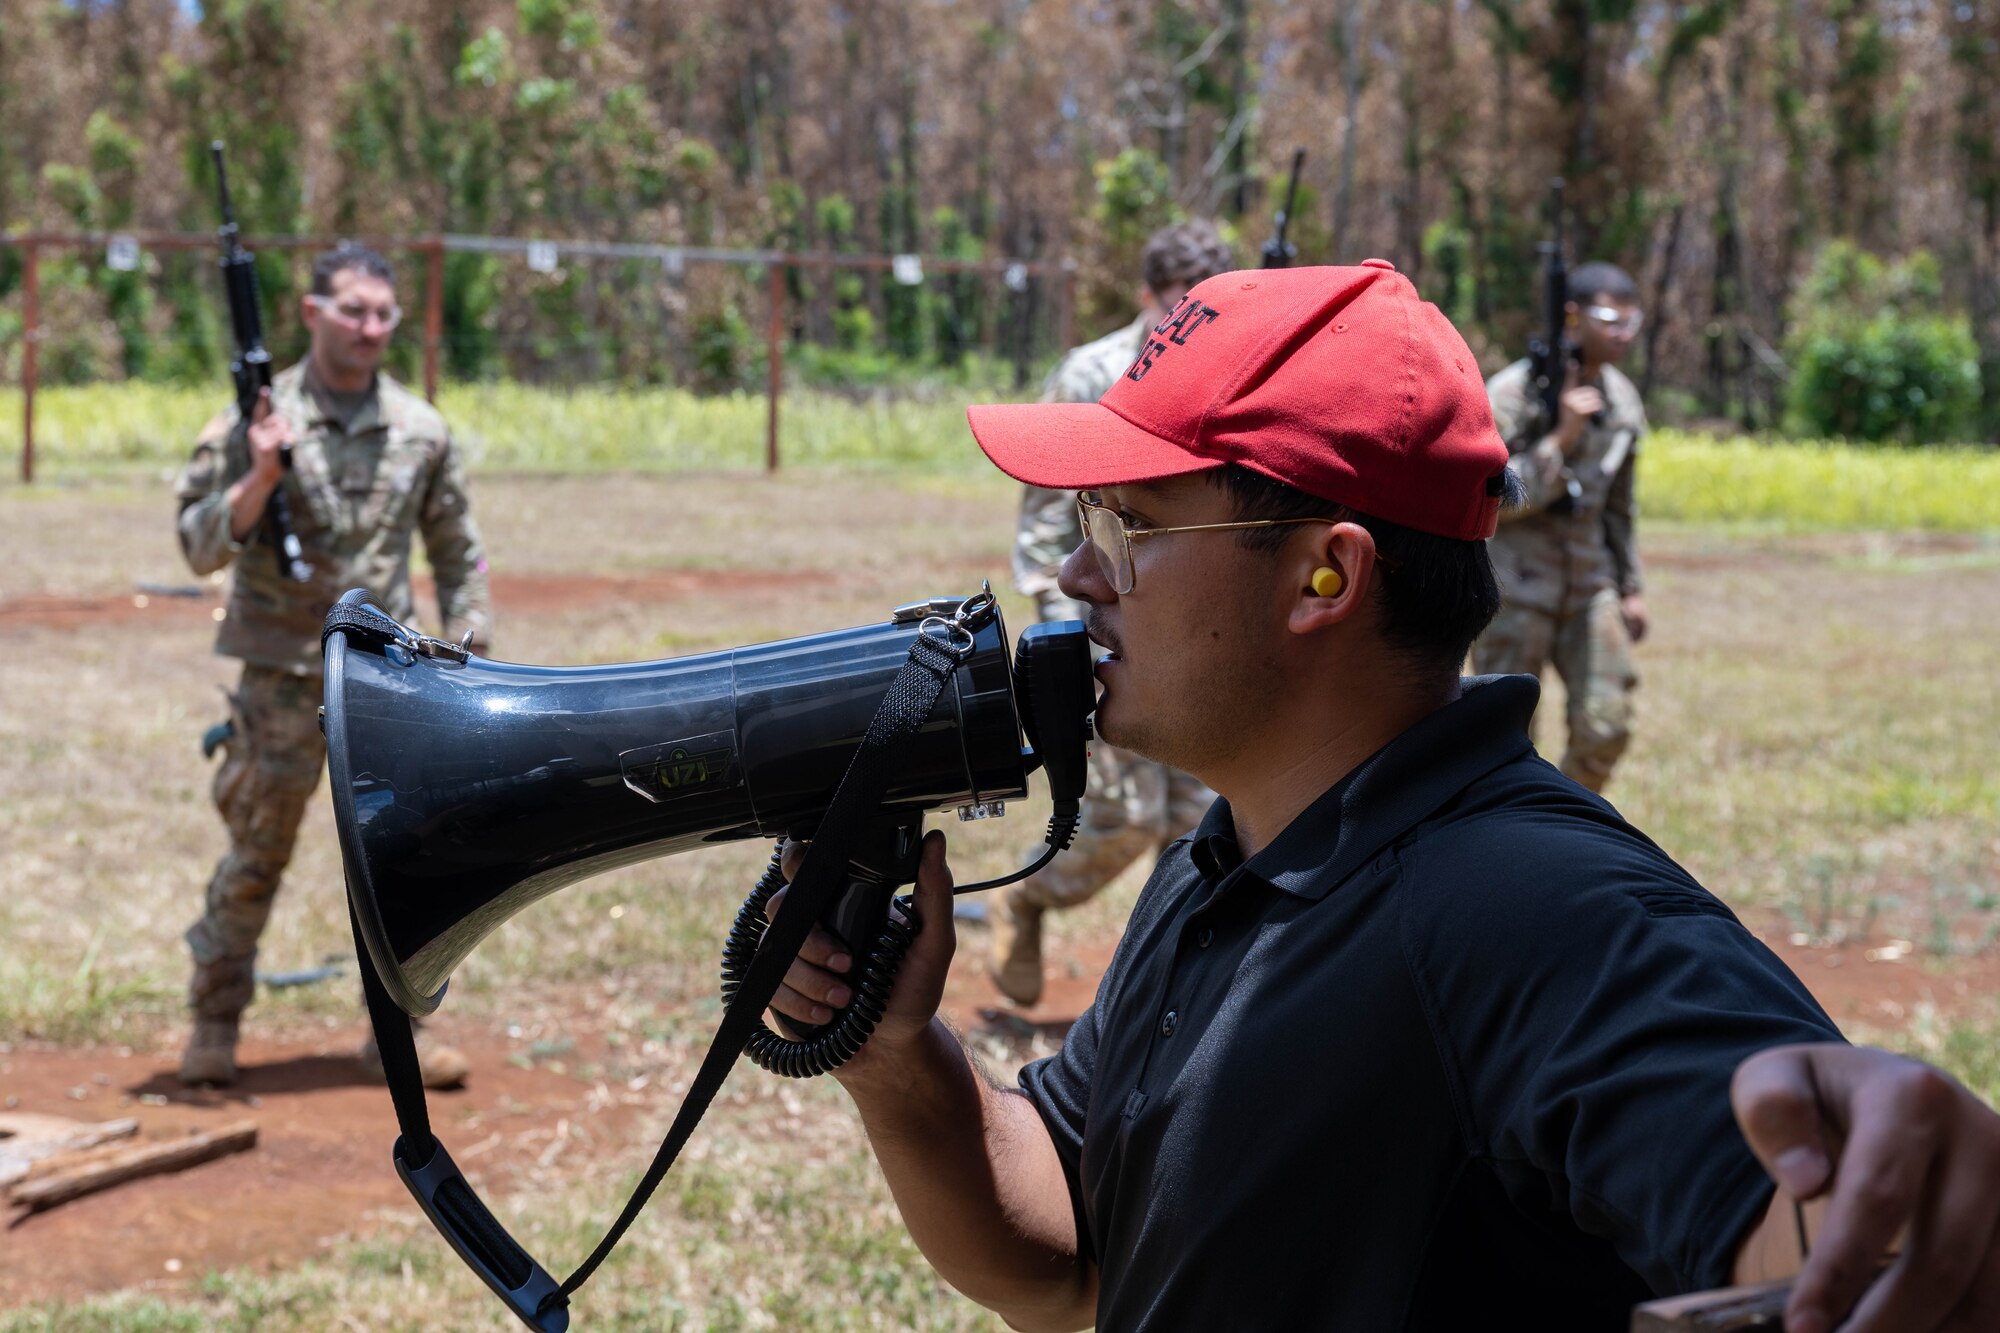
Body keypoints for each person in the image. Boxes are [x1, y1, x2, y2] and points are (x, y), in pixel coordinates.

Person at [767, 262, 2000, 1330]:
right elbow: (1067, 1257)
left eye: (1128, 523)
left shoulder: (1536, 912)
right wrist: (892, 1058)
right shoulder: (1230, 853)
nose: (1082, 572)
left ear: (1322, 573)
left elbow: (1818, 1231)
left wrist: (1894, 1194)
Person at [174, 243, 493, 1089]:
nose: (370, 327)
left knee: (401, 862)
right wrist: (260, 473)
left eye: (384, 312)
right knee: (257, 851)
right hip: (282, 678)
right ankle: (213, 1018)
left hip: (385, 679)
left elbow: (458, 552)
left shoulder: (421, 428)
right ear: (313, 312)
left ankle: (403, 1032)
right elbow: (197, 541)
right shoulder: (255, 422)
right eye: (353, 309)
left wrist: (468, 639)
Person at [993, 219, 1233, 1006]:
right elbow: (1043, 512)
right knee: (1128, 816)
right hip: (1105, 614)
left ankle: (1176, 994)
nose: (1186, 315)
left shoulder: (1224, 369)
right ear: (1146, 295)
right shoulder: (1092, 370)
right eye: (1175, 300)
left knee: (1201, 816)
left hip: (1191, 623)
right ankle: (1026, 898)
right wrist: (1060, 616)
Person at [1473, 261, 1648, 792]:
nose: (1621, 334)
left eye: (1630, 322)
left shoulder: (1622, 402)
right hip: (1517, 591)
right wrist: (1559, 443)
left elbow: (1618, 508)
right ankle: (1504, 838)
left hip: (1590, 587)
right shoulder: (1509, 396)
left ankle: (1567, 819)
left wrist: (1631, 588)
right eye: (1607, 320)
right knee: (1500, 744)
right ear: (1573, 318)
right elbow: (1484, 499)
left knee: (1606, 726)